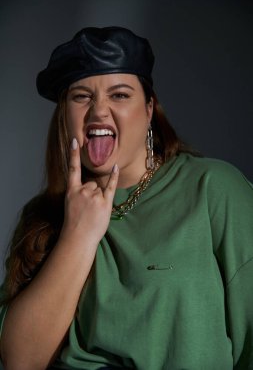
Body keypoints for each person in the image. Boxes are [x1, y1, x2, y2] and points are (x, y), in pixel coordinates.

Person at [0, 26, 252, 370]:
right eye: (81, 96)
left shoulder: (213, 189)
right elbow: (19, 360)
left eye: (119, 95)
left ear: (149, 110)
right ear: (65, 115)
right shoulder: (44, 215)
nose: (98, 111)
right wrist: (78, 236)